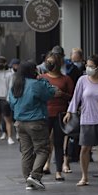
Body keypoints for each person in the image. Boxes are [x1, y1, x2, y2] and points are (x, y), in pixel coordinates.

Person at [64, 54, 98, 187]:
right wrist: (69, 112)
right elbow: (75, 97)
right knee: (84, 148)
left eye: (91, 66)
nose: (88, 68)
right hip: (87, 118)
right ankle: (84, 177)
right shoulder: (82, 80)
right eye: (87, 65)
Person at [8, 60, 56, 190]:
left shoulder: (16, 85)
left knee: (26, 152)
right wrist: (43, 80)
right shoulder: (36, 84)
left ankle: (28, 180)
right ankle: (34, 176)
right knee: (43, 149)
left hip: (20, 123)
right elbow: (50, 94)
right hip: (36, 121)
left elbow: (11, 103)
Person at [39, 51, 74, 181]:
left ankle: (58, 171)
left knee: (59, 143)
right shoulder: (41, 78)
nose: (50, 64)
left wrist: (62, 95)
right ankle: (40, 168)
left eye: (52, 62)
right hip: (44, 113)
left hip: (61, 114)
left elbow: (73, 97)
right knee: (44, 143)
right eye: (48, 62)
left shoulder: (66, 79)